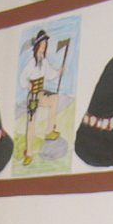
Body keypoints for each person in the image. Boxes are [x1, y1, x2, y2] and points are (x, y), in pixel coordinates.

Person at [19, 29, 65, 166]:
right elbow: (22, 78)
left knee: (54, 98)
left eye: (45, 44)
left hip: (40, 93)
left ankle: (49, 131)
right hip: (33, 96)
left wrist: (58, 72)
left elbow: (50, 74)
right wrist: (27, 85)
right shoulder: (31, 63)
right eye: (42, 44)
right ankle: (29, 154)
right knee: (31, 124)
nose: (44, 46)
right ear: (37, 45)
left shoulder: (43, 61)